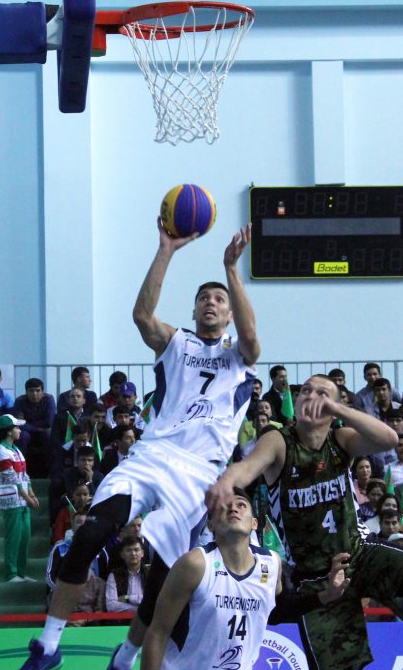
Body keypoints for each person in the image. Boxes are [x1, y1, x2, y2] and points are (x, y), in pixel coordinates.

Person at [21, 223, 260, 670]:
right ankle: (49, 646)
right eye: (204, 298)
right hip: (152, 455)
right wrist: (166, 249)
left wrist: (231, 269)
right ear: (194, 311)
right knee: (90, 532)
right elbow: (142, 317)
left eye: (219, 300)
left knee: (166, 580)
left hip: (200, 473)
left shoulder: (238, 357)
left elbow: (252, 340)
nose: (212, 303)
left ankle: (126, 654)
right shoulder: (178, 343)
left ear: (228, 313)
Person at [207, 374, 403, 670]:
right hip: (315, 576)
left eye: (321, 392)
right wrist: (225, 483)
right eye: (306, 390)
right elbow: (246, 469)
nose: (311, 395)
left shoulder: (340, 439)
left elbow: (389, 439)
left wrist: (340, 410)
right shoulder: (279, 441)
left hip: (359, 552)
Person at [142, 486, 346, 670]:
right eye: (225, 506)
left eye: (241, 505)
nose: (234, 509)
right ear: (211, 524)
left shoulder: (271, 564)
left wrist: (326, 594)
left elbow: (278, 611)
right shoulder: (195, 564)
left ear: (254, 523)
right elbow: (157, 632)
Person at [0, 414, 40, 583]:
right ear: (9, 432)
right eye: (17, 428)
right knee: (13, 536)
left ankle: (21, 572)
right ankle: (11, 573)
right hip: (12, 500)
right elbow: (12, 479)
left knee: (24, 536)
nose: (20, 430)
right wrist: (29, 498)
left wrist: (32, 494)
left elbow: (24, 475)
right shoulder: (2, 452)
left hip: (23, 500)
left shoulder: (16, 450)